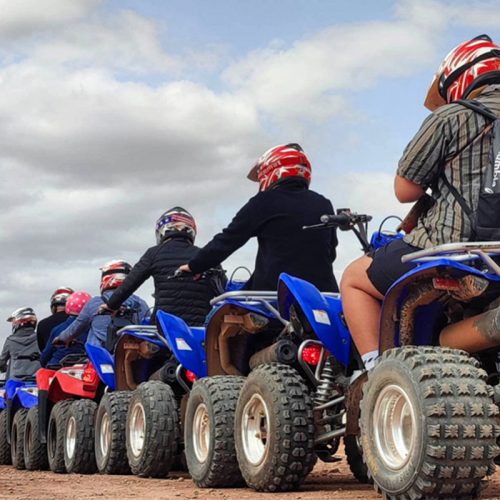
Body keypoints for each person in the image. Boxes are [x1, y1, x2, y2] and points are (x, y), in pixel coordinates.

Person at [340, 34, 500, 370]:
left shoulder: (452, 116)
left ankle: (376, 372)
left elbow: (405, 191)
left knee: (354, 278)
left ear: (460, 77)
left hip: (452, 245)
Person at [178, 143, 339, 292]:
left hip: (276, 295)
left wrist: (195, 266)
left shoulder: (264, 201)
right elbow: (331, 251)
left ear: (271, 170)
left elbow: (228, 240)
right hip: (321, 294)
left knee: (220, 315)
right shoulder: (323, 203)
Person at [99, 208, 222, 327]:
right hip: (202, 329)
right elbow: (223, 288)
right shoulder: (206, 256)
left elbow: (129, 283)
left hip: (165, 327)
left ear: (162, 231)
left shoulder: (154, 253)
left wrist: (111, 305)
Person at [54, 260, 149, 348]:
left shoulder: (96, 302)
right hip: (132, 357)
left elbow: (76, 328)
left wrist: (61, 338)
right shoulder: (141, 303)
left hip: (103, 358)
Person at [40, 291, 92, 368]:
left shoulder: (57, 329)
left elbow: (45, 356)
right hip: (85, 368)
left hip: (57, 367)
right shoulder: (93, 329)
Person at [0, 307, 40, 380]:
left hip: (15, 380)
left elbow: (1, 362)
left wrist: (4, 368)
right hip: (36, 380)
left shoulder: (10, 341)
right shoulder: (40, 338)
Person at [36, 286, 74, 351]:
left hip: (52, 359)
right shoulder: (79, 322)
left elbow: (42, 349)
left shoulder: (42, 324)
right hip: (80, 359)